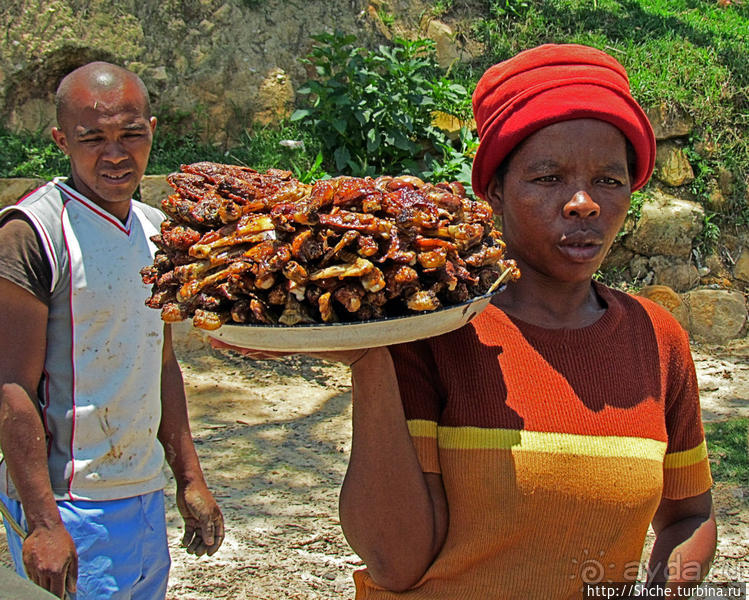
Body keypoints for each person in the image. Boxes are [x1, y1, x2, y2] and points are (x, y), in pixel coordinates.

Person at [330, 44, 716, 598]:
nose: (583, 202)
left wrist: (666, 588)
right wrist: (370, 360)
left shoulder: (656, 340)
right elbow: (395, 563)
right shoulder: (432, 332)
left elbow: (689, 517)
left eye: (609, 180)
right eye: (548, 177)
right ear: (494, 192)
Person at [0, 61, 224, 600]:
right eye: (92, 138)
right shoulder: (32, 233)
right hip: (71, 504)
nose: (116, 154)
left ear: (153, 128)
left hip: (141, 494)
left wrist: (188, 477)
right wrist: (45, 524)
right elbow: (10, 389)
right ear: (61, 139)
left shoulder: (156, 232)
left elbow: (160, 360)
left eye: (130, 134)